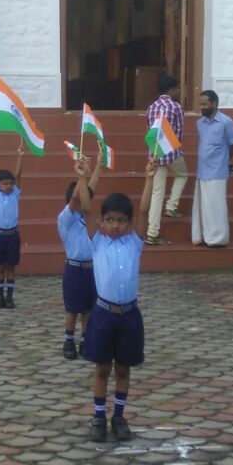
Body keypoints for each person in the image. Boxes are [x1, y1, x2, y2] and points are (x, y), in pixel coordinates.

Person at [77, 156, 155, 443]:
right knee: (102, 369)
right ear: (101, 221)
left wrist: (149, 177)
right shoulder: (97, 242)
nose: (115, 225)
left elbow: (144, 210)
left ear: (130, 223)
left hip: (129, 315)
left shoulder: (135, 243)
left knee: (123, 369)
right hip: (103, 315)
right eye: (109, 219)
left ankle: (119, 416)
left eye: (121, 221)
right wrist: (83, 177)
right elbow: (86, 208)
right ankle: (98, 417)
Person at [59, 154, 101, 360]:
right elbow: (78, 198)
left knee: (88, 308)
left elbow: (90, 190)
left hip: (91, 268)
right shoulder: (66, 218)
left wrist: (98, 164)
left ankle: (86, 339)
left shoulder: (89, 219)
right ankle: (69, 340)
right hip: (74, 268)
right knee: (72, 308)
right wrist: (81, 177)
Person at [145, 74, 188, 244]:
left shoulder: (151, 107)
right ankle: (171, 206)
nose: (178, 91)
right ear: (171, 89)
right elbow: (179, 132)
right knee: (182, 175)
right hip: (171, 152)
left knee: (157, 192)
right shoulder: (176, 107)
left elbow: (150, 131)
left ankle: (152, 232)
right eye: (177, 89)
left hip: (156, 154)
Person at [191, 90, 233, 248]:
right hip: (202, 171)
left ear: (214, 103)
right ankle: (203, 236)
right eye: (200, 104)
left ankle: (217, 239)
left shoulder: (226, 122)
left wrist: (224, 160)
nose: (201, 107)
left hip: (217, 172)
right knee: (203, 207)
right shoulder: (200, 123)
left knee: (216, 207)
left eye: (205, 104)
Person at [0, 141, 26, 309]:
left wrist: (20, 155)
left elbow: (18, 174)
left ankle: (10, 297)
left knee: (10, 267)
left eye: (10, 183)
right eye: (5, 183)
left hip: (12, 235)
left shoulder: (15, 193)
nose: (8, 186)